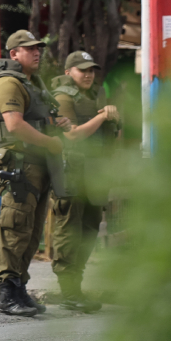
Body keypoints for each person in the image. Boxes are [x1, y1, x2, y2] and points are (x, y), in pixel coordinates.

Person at [0, 30, 71, 317]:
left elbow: (39, 116)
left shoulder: (33, 83)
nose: (37, 52)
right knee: (15, 227)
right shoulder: (9, 83)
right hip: (19, 166)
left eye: (39, 48)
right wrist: (51, 142)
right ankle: (7, 292)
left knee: (31, 232)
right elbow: (14, 125)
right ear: (14, 54)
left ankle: (20, 287)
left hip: (37, 166)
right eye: (30, 48)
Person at [50, 50, 120, 312]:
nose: (89, 74)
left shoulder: (95, 96)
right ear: (69, 72)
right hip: (73, 174)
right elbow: (74, 135)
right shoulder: (62, 98)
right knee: (70, 231)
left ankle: (76, 289)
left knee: (90, 231)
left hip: (96, 174)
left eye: (92, 70)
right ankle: (68, 291)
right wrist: (103, 116)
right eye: (83, 70)